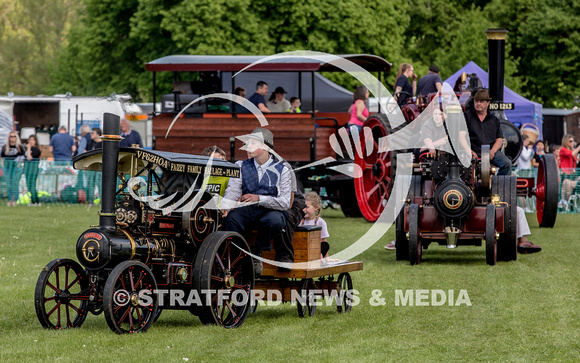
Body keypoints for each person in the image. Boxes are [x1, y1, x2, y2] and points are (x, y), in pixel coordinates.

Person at [222, 127, 292, 274]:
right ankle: (236, 256)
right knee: (231, 219)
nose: (248, 147)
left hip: (272, 210)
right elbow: (233, 190)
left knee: (274, 221)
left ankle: (257, 251)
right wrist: (226, 206)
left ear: (266, 147)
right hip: (248, 209)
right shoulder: (240, 165)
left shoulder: (283, 169)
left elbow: (285, 202)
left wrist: (259, 198)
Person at [464, 89, 512, 175]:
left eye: (481, 101)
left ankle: (497, 186)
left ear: (487, 103)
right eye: (476, 101)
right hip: (471, 152)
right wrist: (469, 151)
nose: (478, 103)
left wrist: (493, 151)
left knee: (507, 164)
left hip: (490, 152)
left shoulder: (494, 120)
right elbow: (461, 137)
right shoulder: (467, 117)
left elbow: (499, 139)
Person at [301, 192, 330, 259]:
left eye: (307, 207)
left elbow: (323, 241)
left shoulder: (321, 222)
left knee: (324, 245)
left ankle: (319, 259)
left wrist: (327, 258)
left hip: (315, 251)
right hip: (302, 249)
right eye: (303, 207)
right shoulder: (299, 221)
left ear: (316, 208)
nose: (304, 210)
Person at [1, 131, 25, 206]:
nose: (12, 138)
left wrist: (19, 163)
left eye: (14, 136)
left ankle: (15, 200)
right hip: (7, 166)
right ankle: (9, 199)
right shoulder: (5, 147)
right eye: (11, 136)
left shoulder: (19, 147)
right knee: (9, 183)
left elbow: (23, 156)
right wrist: (3, 165)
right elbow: (2, 156)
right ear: (9, 138)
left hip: (16, 165)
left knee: (15, 183)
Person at [558, 134, 580, 206]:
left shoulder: (573, 150)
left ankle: (569, 202)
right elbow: (572, 154)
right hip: (565, 173)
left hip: (573, 173)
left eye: (573, 141)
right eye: (570, 141)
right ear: (566, 141)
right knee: (566, 186)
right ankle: (565, 202)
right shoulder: (563, 150)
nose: (572, 143)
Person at [23, 134, 42, 206]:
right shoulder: (26, 149)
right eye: (30, 140)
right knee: (28, 185)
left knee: (32, 185)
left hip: (33, 169)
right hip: (27, 169)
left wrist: (28, 149)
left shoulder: (36, 150)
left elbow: (29, 158)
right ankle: (32, 200)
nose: (31, 141)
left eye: (33, 140)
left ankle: (36, 201)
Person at [86, 128, 103, 206]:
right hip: (91, 166)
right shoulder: (90, 143)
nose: (91, 135)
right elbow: (85, 152)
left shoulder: (103, 144)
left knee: (99, 183)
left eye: (92, 133)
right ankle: (90, 201)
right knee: (90, 183)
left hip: (100, 166)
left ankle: (102, 202)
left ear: (98, 135)